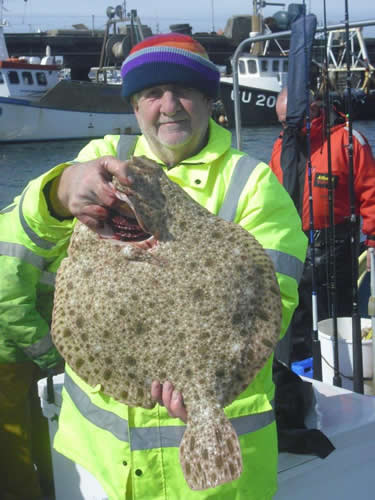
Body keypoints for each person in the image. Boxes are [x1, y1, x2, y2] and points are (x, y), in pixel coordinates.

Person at [0, 34, 307, 500]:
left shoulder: (253, 185)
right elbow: (14, 243)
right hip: (101, 467)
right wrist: (62, 193)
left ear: (208, 97)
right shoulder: (99, 162)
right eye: (151, 93)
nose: (169, 106)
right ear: (134, 106)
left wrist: (205, 388)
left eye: (183, 90)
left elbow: (272, 304)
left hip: (211, 483)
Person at [270, 87, 375, 362]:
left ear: (315, 108)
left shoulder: (349, 141)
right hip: (291, 243)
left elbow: (371, 194)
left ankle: (338, 364)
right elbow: (268, 193)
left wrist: (373, 240)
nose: (287, 127)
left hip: (336, 245)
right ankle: (298, 368)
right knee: (295, 314)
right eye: (282, 122)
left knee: (335, 314)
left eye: (291, 120)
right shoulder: (283, 145)